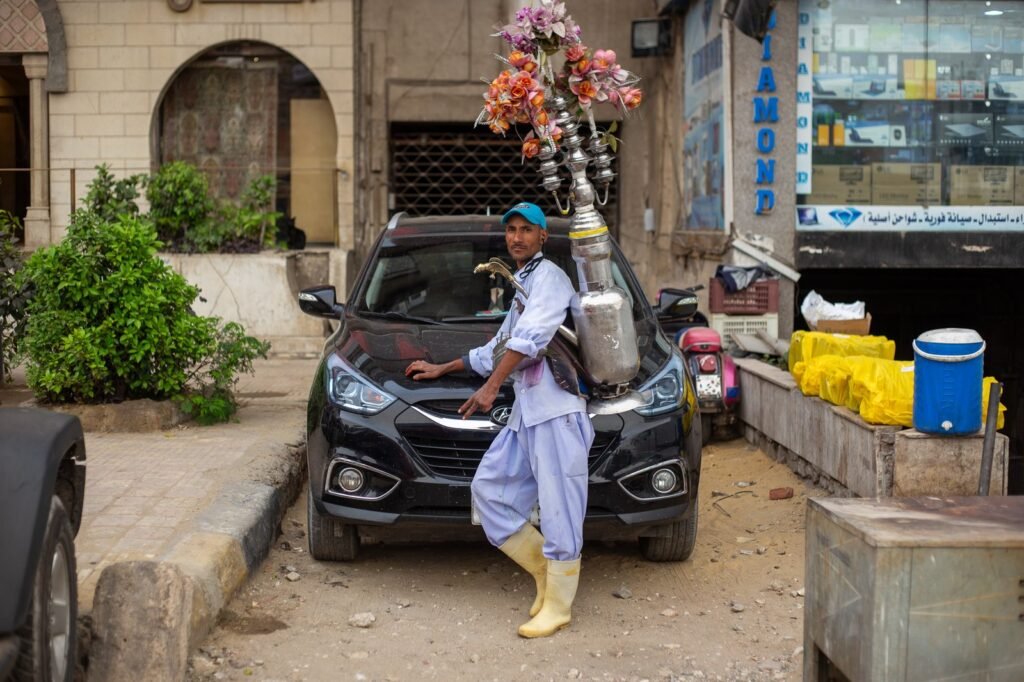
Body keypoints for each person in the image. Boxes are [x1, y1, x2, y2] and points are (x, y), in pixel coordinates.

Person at [404, 201, 594, 638]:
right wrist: (444, 367)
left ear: (543, 236)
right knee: (490, 490)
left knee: (561, 509)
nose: (517, 237)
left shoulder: (550, 278)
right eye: (511, 229)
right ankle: (545, 573)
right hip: (529, 412)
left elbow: (529, 339)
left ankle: (559, 606)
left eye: (526, 229)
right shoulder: (523, 283)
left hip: (557, 412)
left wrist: (491, 388)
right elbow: (498, 347)